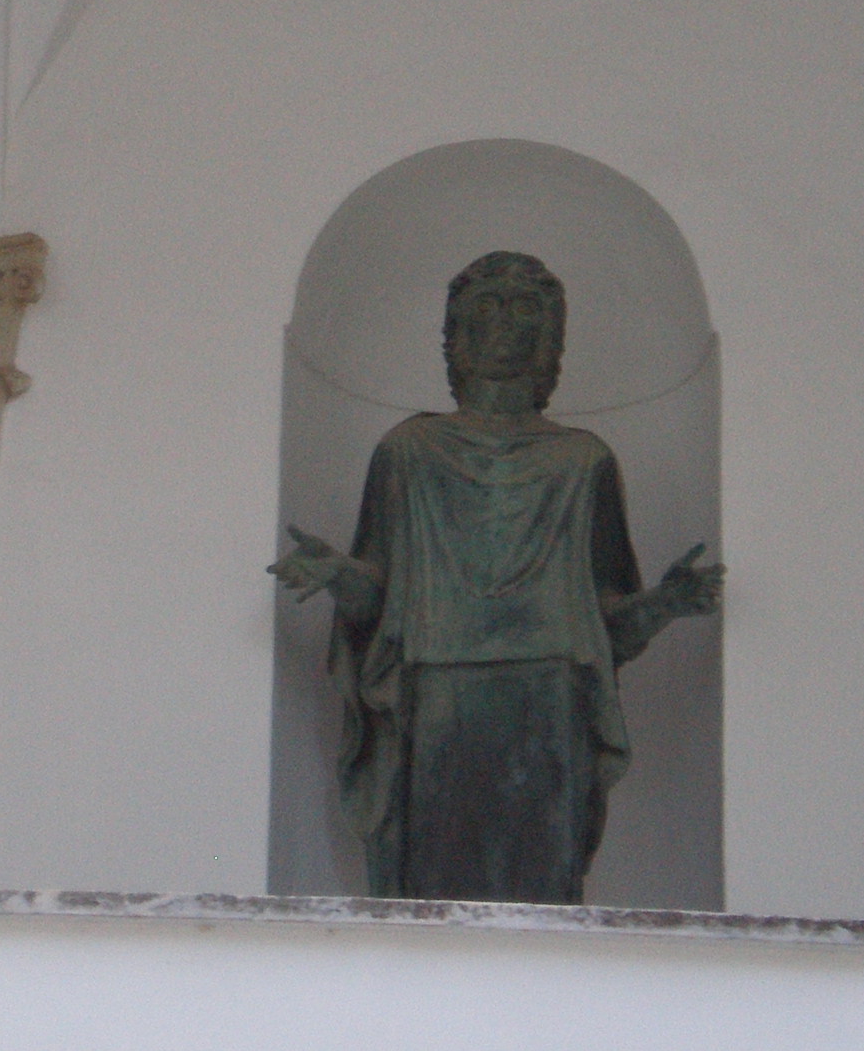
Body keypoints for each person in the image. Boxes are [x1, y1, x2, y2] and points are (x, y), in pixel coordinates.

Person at [272, 251, 722, 902]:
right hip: (438, 688)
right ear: (455, 333)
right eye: (487, 307)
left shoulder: (583, 462)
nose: (506, 323)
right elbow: (380, 605)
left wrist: (664, 604)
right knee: (434, 902)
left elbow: (606, 626)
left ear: (551, 337)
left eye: (525, 309)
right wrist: (338, 575)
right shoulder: (409, 453)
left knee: (545, 900)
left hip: (550, 692)